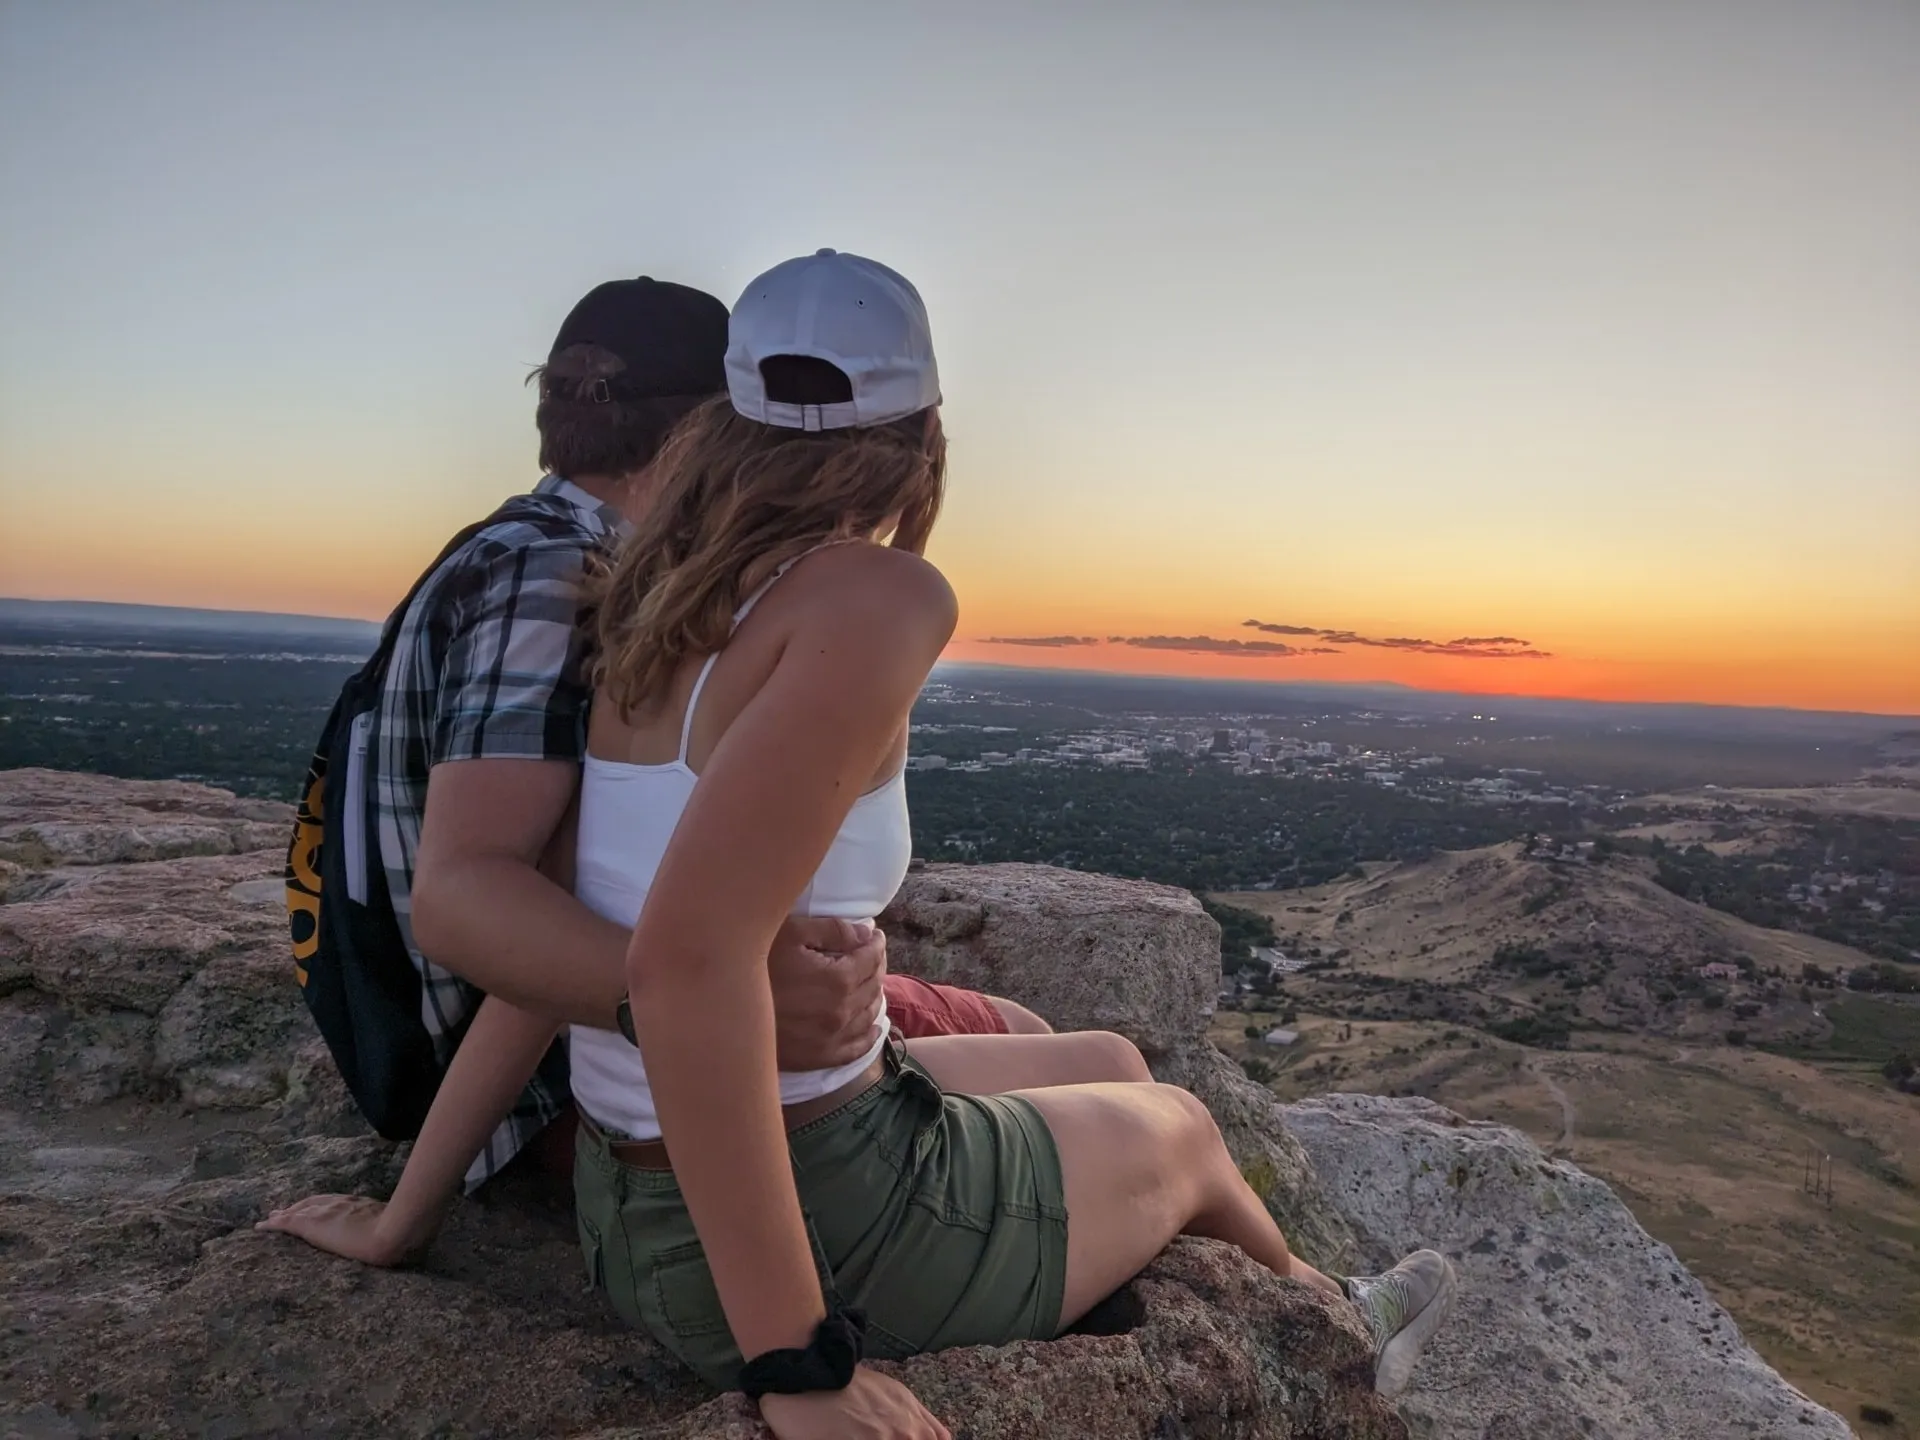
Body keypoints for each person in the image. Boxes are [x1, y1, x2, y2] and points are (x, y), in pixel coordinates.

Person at [560, 249, 1456, 1440]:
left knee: (1117, 1064)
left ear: (732, 418)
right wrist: (798, 1362)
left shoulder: (654, 594)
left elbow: (594, 892)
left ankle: (1274, 1288)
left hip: (625, 1198)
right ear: (923, 435)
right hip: (813, 1218)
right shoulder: (879, 595)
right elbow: (682, 962)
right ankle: (1339, 1331)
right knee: (1189, 1136)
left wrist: (406, 1212)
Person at [260, 275, 1045, 1269]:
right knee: (1045, 1058)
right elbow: (472, 897)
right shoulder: (557, 572)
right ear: (710, 431)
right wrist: (706, 1002)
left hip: (591, 1042)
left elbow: (575, 876)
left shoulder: (574, 560)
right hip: (576, 1086)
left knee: (1024, 1041)